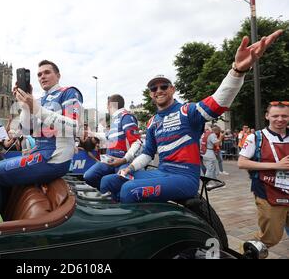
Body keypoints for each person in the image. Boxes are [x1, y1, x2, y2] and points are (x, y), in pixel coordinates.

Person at [100, 29, 283, 203]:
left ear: (172, 89)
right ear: (150, 94)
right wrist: (129, 167)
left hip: (184, 178)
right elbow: (148, 153)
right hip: (161, 173)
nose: (159, 90)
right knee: (108, 181)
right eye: (154, 88)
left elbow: (218, 102)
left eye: (164, 86)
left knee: (128, 190)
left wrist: (237, 70)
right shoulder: (152, 122)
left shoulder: (187, 111)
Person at [0, 60, 83, 211]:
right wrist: (25, 105)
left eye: (47, 72)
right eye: (39, 74)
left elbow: (75, 127)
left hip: (54, 157)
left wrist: (35, 108)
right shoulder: (39, 100)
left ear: (58, 75)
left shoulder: (69, 92)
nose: (42, 76)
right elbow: (26, 129)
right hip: (39, 152)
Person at [238, 101, 289, 248]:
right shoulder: (255, 137)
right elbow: (242, 163)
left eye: (284, 116)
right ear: (267, 116)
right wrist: (276, 166)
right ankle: (247, 253)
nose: (280, 119)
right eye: (276, 116)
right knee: (270, 238)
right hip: (269, 192)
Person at [83, 94, 141, 189]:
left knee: (120, 180)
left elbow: (137, 142)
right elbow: (107, 136)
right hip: (109, 160)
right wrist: (92, 133)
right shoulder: (115, 120)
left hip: (123, 161)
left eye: (107, 106)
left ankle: (116, 196)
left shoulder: (126, 117)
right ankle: (107, 193)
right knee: (88, 176)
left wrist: (124, 159)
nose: (107, 109)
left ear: (110, 105)